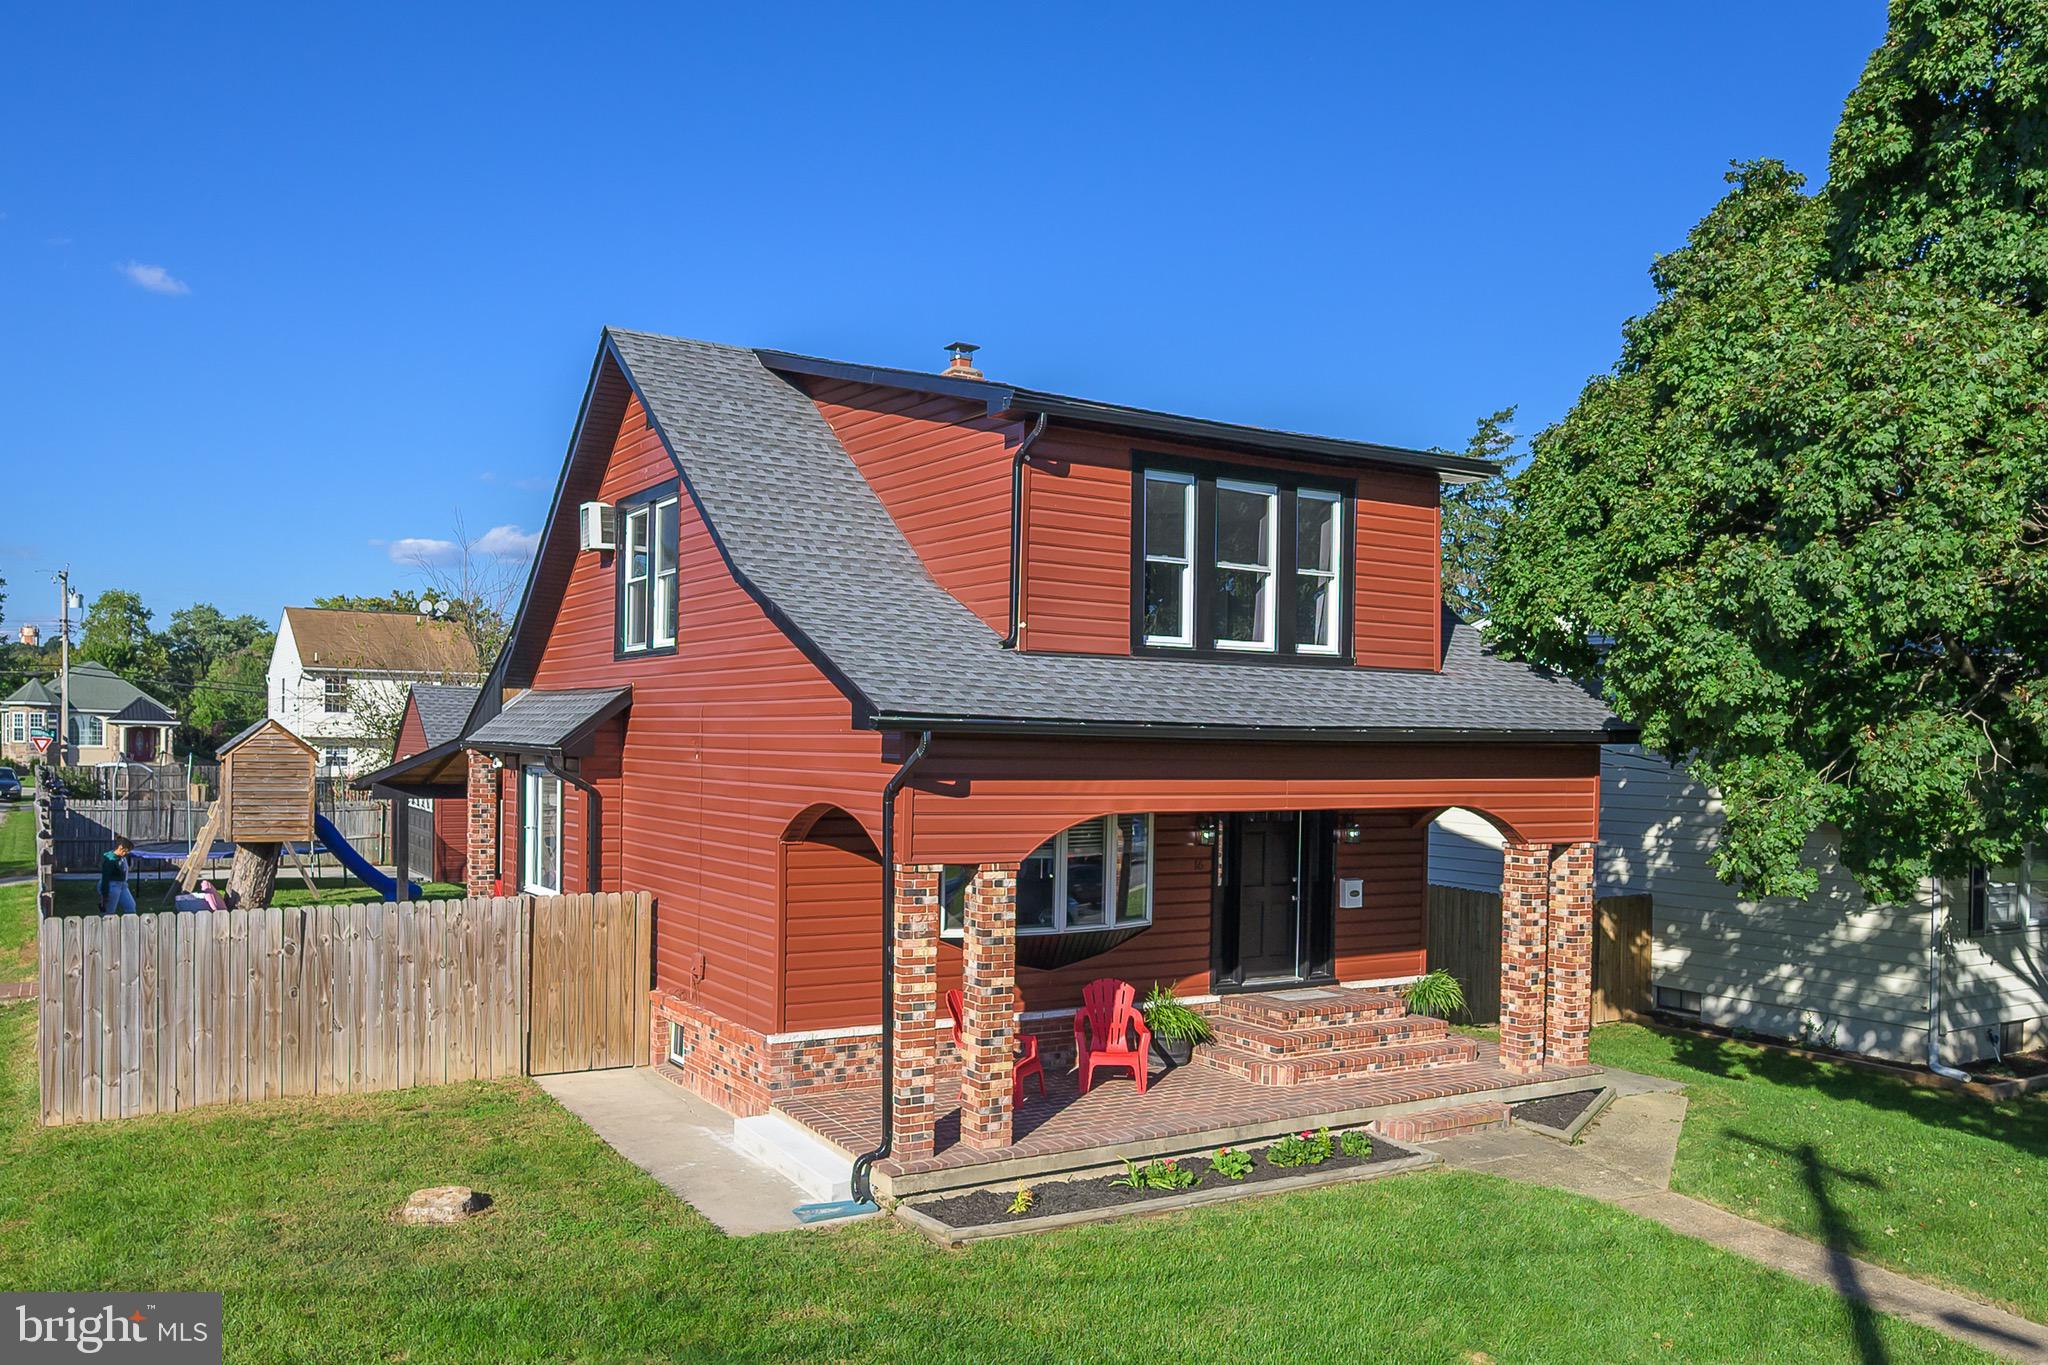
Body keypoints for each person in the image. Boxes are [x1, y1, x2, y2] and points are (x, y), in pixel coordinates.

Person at [99, 836, 136, 915]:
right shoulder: (110, 860)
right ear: (120, 847)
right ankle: (106, 926)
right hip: (112, 886)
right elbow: (105, 878)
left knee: (131, 907)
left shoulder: (121, 857)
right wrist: (104, 895)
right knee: (109, 912)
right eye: (127, 850)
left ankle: (130, 926)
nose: (127, 853)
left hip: (123, 885)